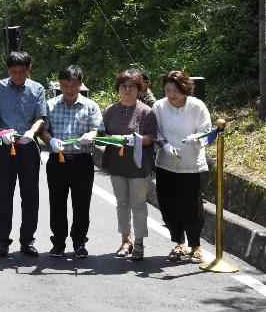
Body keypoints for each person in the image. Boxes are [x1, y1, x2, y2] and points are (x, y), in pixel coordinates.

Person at [0, 51, 46, 257]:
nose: (18, 76)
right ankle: (3, 241)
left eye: (22, 72)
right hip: (4, 146)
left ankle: (27, 240)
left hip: (28, 146)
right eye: (14, 72)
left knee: (30, 196)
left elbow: (40, 117)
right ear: (8, 70)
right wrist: (0, 132)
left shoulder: (37, 89)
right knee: (3, 194)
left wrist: (32, 131)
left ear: (29, 70)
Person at [40, 65, 103, 258]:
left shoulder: (90, 106)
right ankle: (58, 242)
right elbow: (43, 130)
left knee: (81, 204)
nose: (69, 89)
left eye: (73, 85)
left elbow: (97, 129)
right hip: (57, 160)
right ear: (60, 84)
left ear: (80, 84)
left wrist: (90, 136)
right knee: (57, 202)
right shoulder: (50, 105)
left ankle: (79, 243)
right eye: (65, 85)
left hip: (82, 161)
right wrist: (50, 140)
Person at [153, 70, 211, 264]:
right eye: (168, 90)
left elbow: (206, 131)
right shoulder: (159, 107)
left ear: (186, 89)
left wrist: (196, 138)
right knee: (168, 206)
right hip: (165, 163)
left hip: (190, 165)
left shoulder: (197, 106)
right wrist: (164, 145)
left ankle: (196, 246)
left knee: (190, 207)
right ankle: (179, 243)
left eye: (176, 91)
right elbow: (156, 131)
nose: (172, 95)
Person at [101, 69, 157, 261]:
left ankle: (139, 243)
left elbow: (153, 137)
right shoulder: (110, 111)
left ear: (139, 89)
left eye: (132, 86)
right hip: (116, 165)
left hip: (139, 166)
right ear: (118, 89)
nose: (127, 90)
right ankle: (126, 240)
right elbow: (101, 136)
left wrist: (139, 140)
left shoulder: (147, 112)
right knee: (121, 204)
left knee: (138, 204)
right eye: (124, 86)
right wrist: (111, 139)